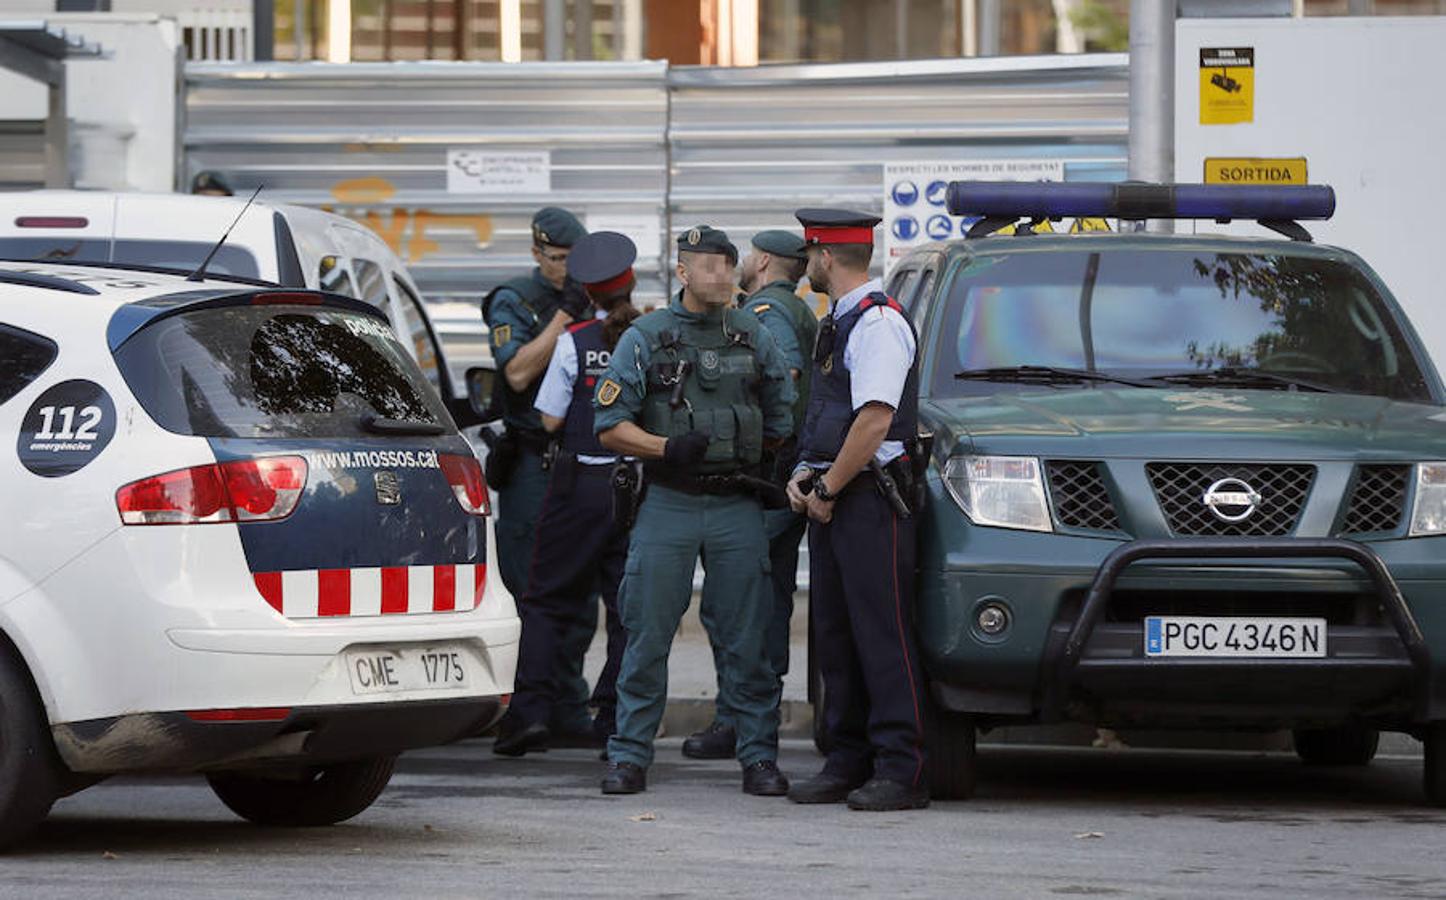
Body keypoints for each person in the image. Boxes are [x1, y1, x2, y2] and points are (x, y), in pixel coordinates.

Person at [593, 225, 795, 796]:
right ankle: (629, 754)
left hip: (736, 505)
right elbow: (608, 426)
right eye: (709, 266)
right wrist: (664, 448)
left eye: (729, 266)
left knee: (747, 638)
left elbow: (781, 417)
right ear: (683, 273)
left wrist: (753, 462)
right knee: (647, 633)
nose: (722, 275)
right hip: (668, 503)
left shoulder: (752, 333)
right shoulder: (647, 337)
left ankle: (758, 756)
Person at [784, 208, 929, 812]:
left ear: (824, 257)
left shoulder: (877, 324)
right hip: (838, 497)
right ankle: (847, 760)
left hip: (869, 498)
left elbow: (874, 421)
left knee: (882, 634)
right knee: (836, 636)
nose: (805, 265)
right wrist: (804, 475)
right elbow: (828, 416)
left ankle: (903, 768)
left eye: (808, 256)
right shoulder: (839, 321)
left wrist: (828, 489)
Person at [493, 232, 640, 756]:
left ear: (588, 292)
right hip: (635, 489)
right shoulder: (651, 337)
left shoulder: (574, 340)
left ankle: (530, 713)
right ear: (632, 282)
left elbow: (550, 416)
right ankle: (618, 722)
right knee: (628, 610)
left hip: (578, 486)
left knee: (546, 601)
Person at [684, 229, 818, 760]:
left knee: (737, 603)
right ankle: (747, 713)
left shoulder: (767, 311)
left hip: (763, 480)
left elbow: (780, 369)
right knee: (765, 600)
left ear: (761, 260)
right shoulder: (795, 308)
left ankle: (737, 718)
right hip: (779, 481)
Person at [482, 207, 600, 746]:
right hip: (533, 461)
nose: (568, 271)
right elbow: (518, 370)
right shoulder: (515, 300)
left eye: (576, 261)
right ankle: (527, 707)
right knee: (530, 586)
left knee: (580, 589)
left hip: (580, 457)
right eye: (558, 261)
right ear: (537, 254)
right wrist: (564, 318)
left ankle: (569, 705)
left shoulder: (589, 293)